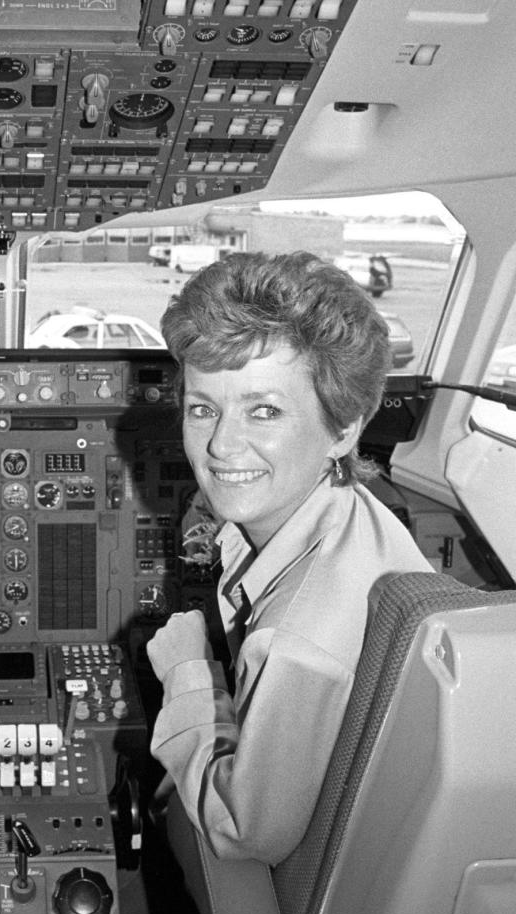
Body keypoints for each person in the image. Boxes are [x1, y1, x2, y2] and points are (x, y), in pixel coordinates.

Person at [148, 250, 432, 865]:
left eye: (265, 410)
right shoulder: (358, 512)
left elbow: (244, 831)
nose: (221, 444)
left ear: (345, 428)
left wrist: (185, 671)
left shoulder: (295, 643)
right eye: (204, 408)